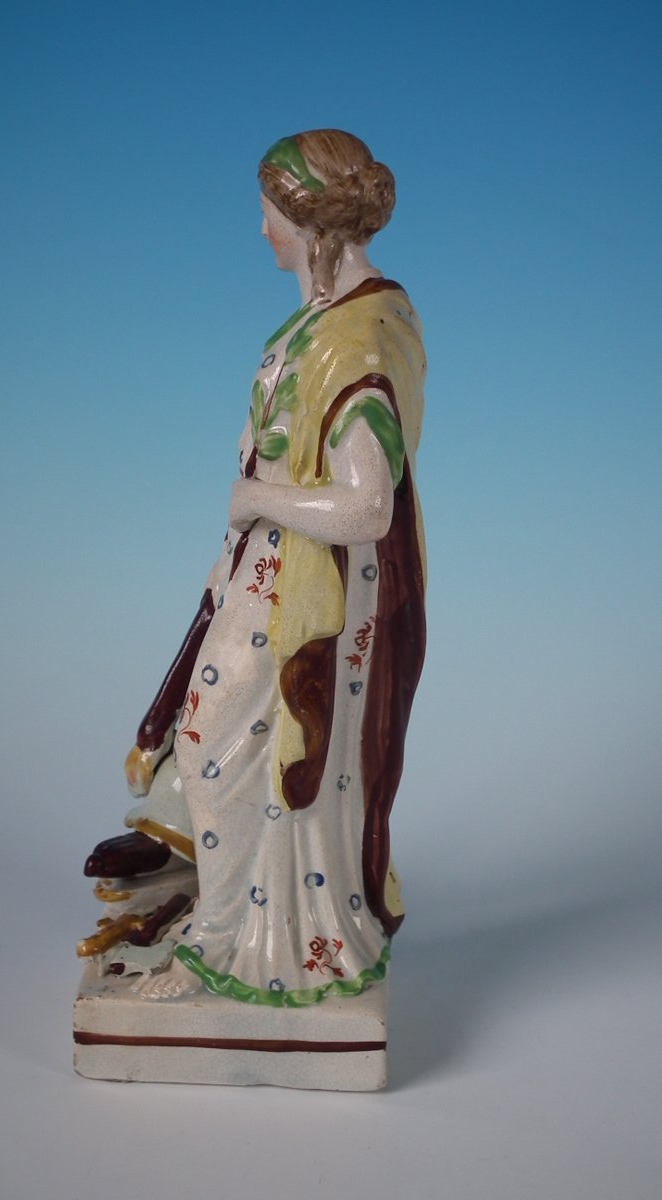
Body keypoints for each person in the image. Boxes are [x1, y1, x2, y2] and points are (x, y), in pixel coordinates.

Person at [113, 130, 427, 1003]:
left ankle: (240, 945)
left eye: (269, 215)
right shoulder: (319, 320)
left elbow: (367, 507)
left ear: (310, 224)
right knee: (219, 746)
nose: (260, 232)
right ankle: (250, 922)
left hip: (309, 589)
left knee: (225, 747)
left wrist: (255, 500)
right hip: (266, 569)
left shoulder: (358, 339)